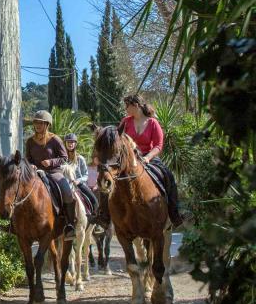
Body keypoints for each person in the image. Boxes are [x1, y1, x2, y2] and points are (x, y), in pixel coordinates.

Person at [95, 94, 185, 229]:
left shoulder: (152, 123)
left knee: (168, 175)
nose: (125, 109)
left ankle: (174, 213)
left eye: (127, 106)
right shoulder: (125, 121)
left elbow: (158, 145)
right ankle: (104, 216)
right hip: (129, 161)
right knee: (106, 178)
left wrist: (147, 157)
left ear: (136, 105)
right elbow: (118, 140)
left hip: (149, 159)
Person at [25, 110, 75, 240]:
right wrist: (31, 165)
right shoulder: (30, 141)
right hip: (35, 174)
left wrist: (51, 162)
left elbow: (64, 157)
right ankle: (15, 223)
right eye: (36, 122)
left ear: (47, 125)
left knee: (67, 192)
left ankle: (70, 225)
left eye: (41, 123)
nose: (37, 125)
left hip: (54, 172)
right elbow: (27, 158)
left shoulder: (55, 139)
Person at [63, 133, 103, 235]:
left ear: (75, 144)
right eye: (68, 142)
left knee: (94, 200)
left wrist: (78, 180)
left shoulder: (80, 158)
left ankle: (97, 223)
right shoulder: (62, 159)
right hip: (65, 185)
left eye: (72, 142)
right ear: (65, 143)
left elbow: (86, 174)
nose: (70, 144)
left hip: (79, 185)